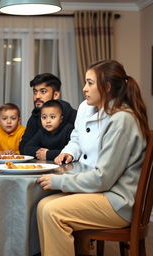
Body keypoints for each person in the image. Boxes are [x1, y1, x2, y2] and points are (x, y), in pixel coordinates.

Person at [36, 60, 150, 256]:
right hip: (108, 194)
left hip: (119, 202)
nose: (84, 88)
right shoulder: (115, 115)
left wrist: (58, 180)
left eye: (90, 83)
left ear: (105, 87)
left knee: (51, 211)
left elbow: (102, 178)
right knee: (44, 205)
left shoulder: (121, 119)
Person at [19, 73, 77, 154]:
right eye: (35, 92)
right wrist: (44, 154)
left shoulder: (73, 115)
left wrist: (48, 154)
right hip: (42, 165)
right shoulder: (35, 116)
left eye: (43, 91)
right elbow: (23, 148)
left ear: (56, 95)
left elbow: (78, 149)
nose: (37, 96)